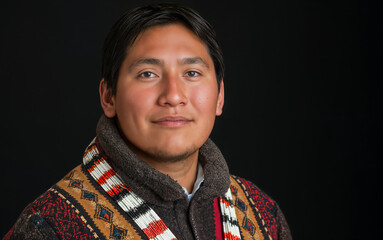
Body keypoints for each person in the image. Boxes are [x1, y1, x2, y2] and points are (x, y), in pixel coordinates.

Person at [3, 3, 292, 240]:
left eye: (191, 73)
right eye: (147, 74)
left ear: (219, 97)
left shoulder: (262, 216)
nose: (173, 96)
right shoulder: (50, 226)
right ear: (109, 97)